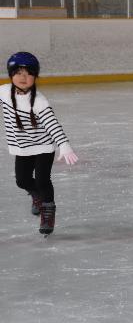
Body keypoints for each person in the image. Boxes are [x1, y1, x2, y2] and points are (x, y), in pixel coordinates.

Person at [0, 52, 78, 235]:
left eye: (28, 73)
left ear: (35, 76)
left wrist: (64, 145)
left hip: (43, 147)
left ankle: (48, 209)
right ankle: (37, 196)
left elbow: (53, 125)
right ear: (11, 75)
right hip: (22, 147)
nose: (23, 77)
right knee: (22, 180)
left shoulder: (39, 102)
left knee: (43, 180)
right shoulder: (4, 92)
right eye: (18, 73)